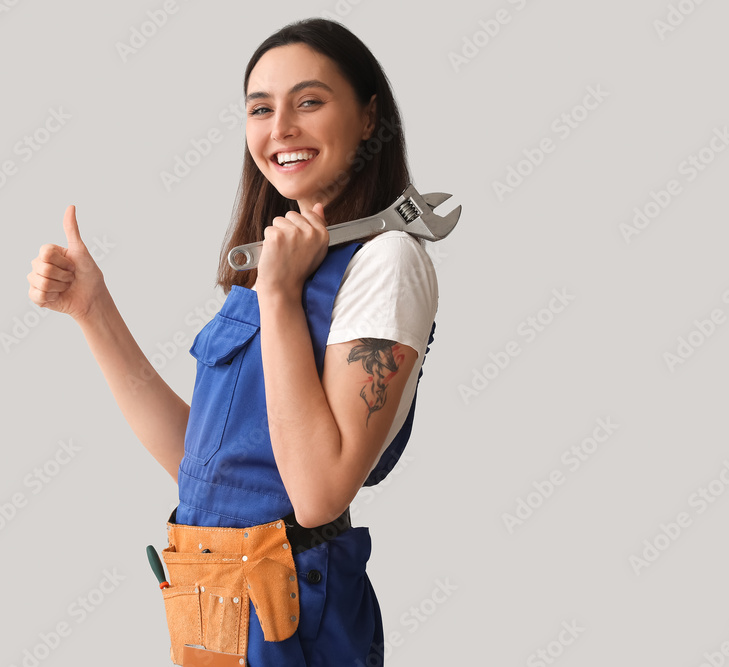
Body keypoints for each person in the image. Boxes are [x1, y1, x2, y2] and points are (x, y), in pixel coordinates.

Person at [27, 17, 438, 666]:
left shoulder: (384, 263)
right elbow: (203, 463)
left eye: (309, 101)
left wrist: (277, 296)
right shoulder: (275, 268)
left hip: (292, 613)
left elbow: (319, 492)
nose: (280, 128)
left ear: (368, 117)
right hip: (213, 599)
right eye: (260, 108)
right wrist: (93, 309)